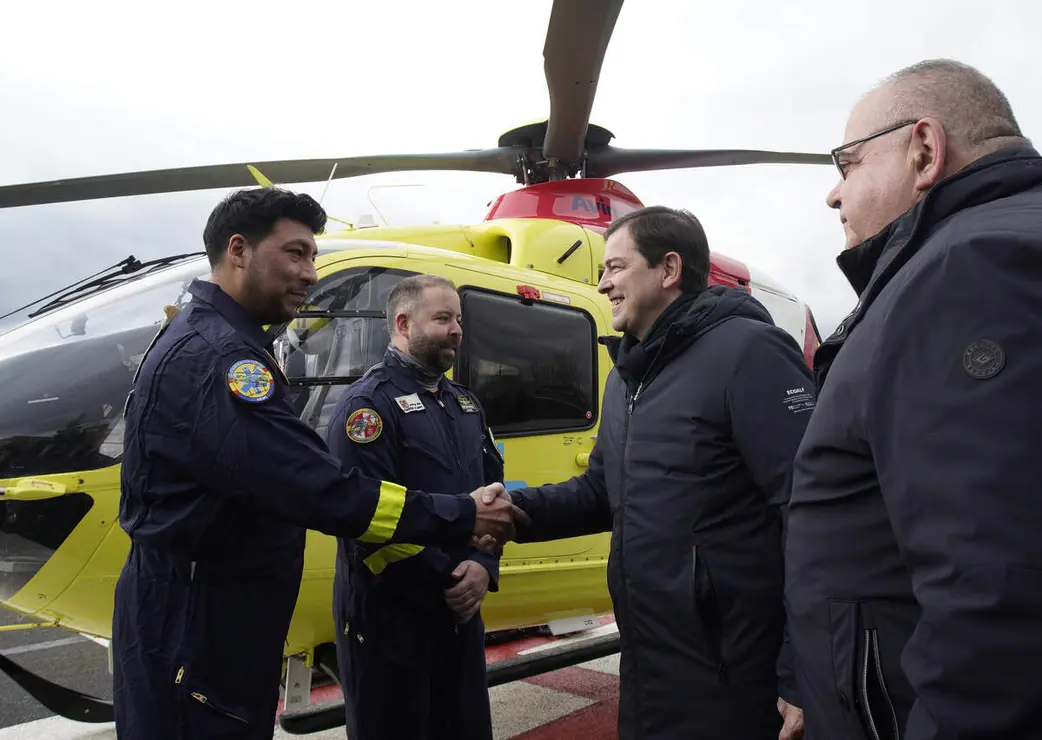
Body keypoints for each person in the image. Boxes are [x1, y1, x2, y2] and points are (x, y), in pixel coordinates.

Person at [112, 187, 526, 740]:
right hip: (203, 618)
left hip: (214, 613)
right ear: (238, 251)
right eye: (296, 254)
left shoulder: (461, 401)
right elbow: (323, 488)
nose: (310, 273)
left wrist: (482, 562)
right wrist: (460, 517)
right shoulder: (222, 360)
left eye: (312, 257)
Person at [784, 59, 1042, 740]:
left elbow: (995, 593)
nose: (834, 197)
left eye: (848, 164)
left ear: (925, 150)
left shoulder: (969, 270)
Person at [491, 205, 816, 740]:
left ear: (668, 270)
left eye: (615, 268)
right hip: (650, 664)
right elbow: (602, 490)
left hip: (731, 671)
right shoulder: (628, 376)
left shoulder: (748, 351)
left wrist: (802, 669)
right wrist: (513, 511)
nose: (602, 285)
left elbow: (809, 514)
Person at [325, 274, 502, 739]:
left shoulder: (465, 405)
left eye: (458, 319)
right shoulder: (367, 407)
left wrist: (483, 565)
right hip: (393, 619)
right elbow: (361, 521)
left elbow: (492, 494)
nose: (457, 330)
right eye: (443, 318)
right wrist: (447, 579)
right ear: (403, 324)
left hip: (460, 615)